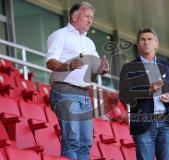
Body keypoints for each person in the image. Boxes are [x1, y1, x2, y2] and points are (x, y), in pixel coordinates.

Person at [46, 2, 109, 160]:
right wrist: (69, 65)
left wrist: (102, 68)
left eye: (92, 18)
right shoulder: (59, 35)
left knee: (86, 142)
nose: (90, 20)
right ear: (74, 17)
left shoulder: (89, 42)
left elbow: (95, 69)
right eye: (87, 16)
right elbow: (50, 62)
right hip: (64, 91)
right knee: (72, 140)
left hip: (84, 94)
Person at [119, 28, 169, 160]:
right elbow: (124, 96)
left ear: (156, 44)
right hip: (143, 123)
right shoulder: (129, 68)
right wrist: (148, 91)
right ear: (138, 45)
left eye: (149, 39)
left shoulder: (167, 65)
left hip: (166, 123)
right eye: (142, 40)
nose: (146, 42)